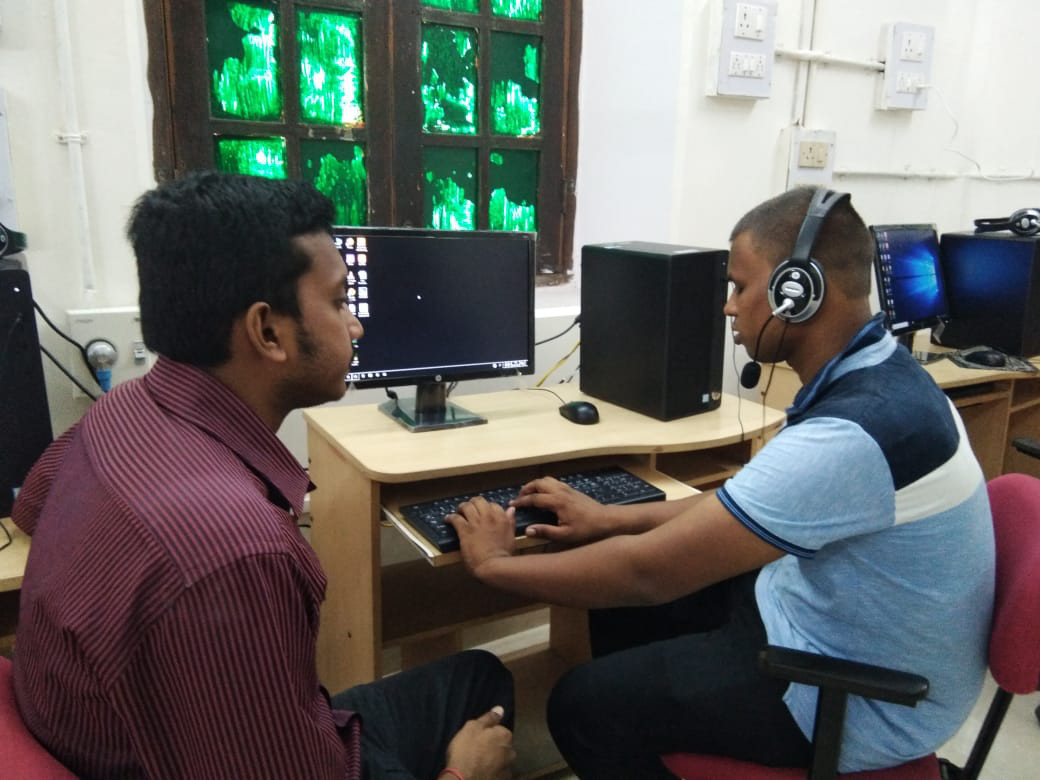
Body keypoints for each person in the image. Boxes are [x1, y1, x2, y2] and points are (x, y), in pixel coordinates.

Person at [447, 187, 995, 777]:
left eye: (739, 286)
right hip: (824, 624)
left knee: (581, 705)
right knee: (617, 610)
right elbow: (740, 506)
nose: (729, 308)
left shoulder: (853, 433)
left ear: (798, 291)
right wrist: (611, 518)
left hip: (858, 698)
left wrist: (494, 568)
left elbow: (647, 573)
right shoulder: (881, 374)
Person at [12, 171, 515, 779]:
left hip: (156, 731)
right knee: (485, 728)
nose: (355, 326)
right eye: (337, 301)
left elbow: (30, 511)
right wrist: (464, 775)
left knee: (479, 676)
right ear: (267, 331)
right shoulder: (237, 552)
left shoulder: (120, 411)